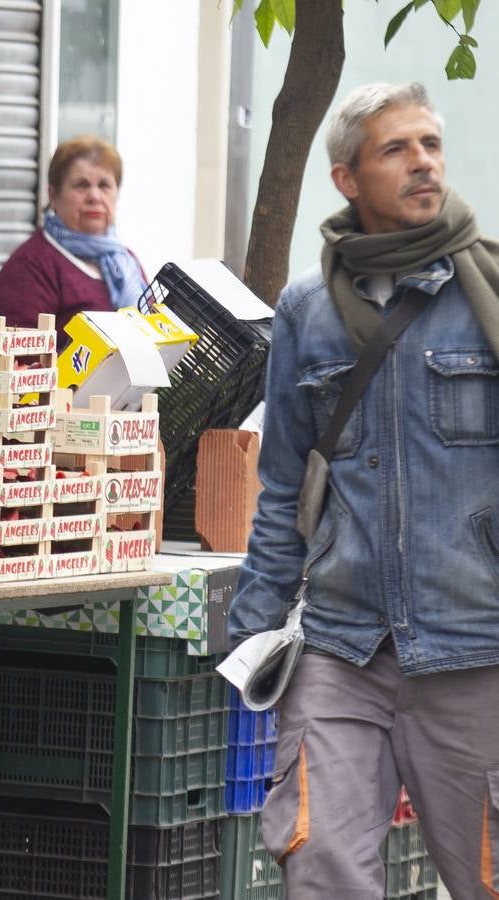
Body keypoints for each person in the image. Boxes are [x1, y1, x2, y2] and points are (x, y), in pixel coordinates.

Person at [230, 82, 499, 897]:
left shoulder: (487, 296)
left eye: (430, 145)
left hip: (474, 647)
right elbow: (282, 484)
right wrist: (251, 635)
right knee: (321, 864)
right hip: (342, 649)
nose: (423, 163)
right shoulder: (306, 312)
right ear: (347, 178)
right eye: (396, 149)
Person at [0, 136, 146, 335]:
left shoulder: (126, 261)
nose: (95, 196)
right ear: (53, 196)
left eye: (104, 185)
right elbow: (19, 358)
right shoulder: (29, 267)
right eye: (81, 185)